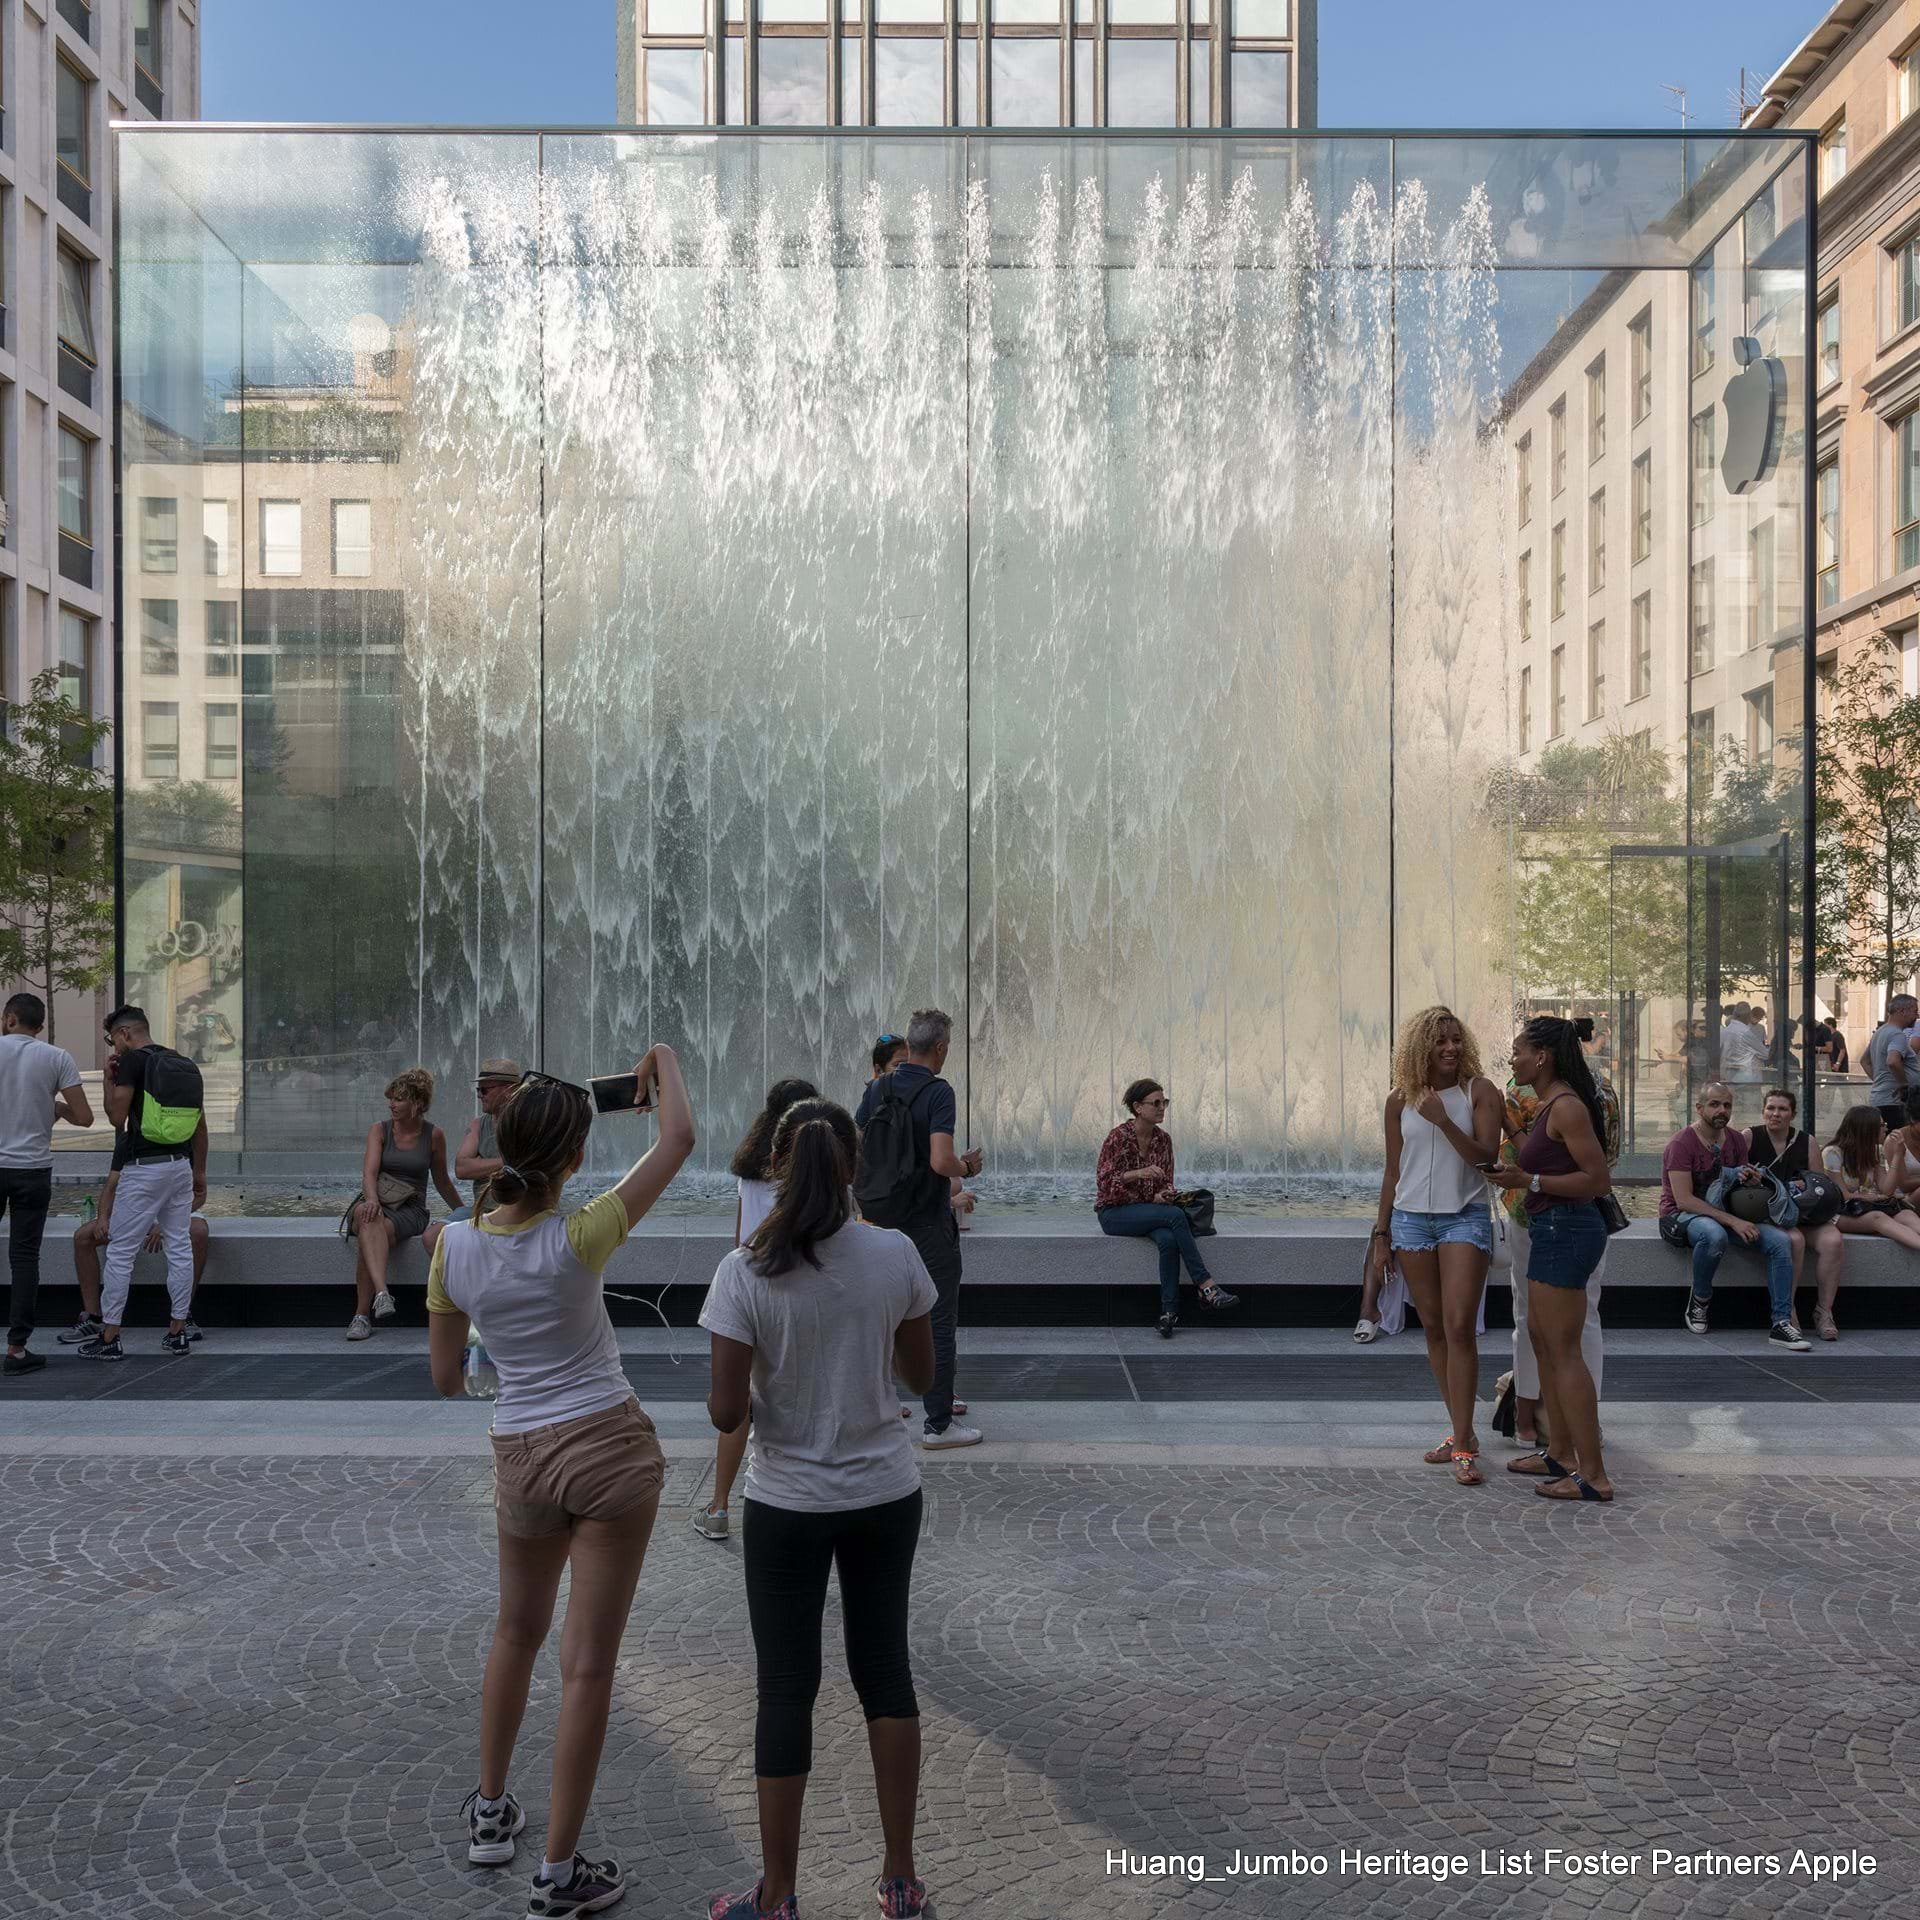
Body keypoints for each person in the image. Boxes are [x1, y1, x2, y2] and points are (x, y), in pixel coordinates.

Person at [426, 1046, 695, 1917]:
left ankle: (491, 1814)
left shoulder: (453, 1246)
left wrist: (501, 1342)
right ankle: (559, 1872)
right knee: (587, 1667)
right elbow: (680, 1138)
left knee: (517, 1632)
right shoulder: (582, 1234)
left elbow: (445, 1378)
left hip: (521, 1452)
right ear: (576, 1160)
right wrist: (663, 1065)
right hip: (609, 1449)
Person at [699, 1097, 938, 1920]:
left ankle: (779, 1895)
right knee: (886, 1674)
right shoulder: (894, 1254)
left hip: (786, 1502)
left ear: (776, 1167)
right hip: (882, 1492)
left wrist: (771, 1387)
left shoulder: (744, 1271)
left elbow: (728, 1415)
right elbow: (917, 1379)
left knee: (784, 1690)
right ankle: (901, 1876)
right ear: (853, 1164)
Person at [1364, 1007, 1502, 1484]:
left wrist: (1444, 1121)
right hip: (1410, 1224)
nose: (1450, 1048)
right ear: (1420, 1048)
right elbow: (1392, 1171)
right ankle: (1462, 1431)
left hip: (1463, 1218)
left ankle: (1463, 1444)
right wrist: (1381, 1234)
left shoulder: (1478, 1092)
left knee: (1460, 1326)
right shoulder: (1399, 1100)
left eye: (1456, 1040)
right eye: (1440, 1041)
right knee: (1435, 1332)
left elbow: (1487, 1158)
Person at [1485, 1016, 1617, 1502]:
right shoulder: (1547, 1107)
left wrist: (1530, 1183)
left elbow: (1597, 1180)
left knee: (1564, 1355)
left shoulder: (1567, 1107)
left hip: (1569, 1231)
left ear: (1541, 1056)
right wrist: (1510, 1129)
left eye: (1518, 1050)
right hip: (1550, 1229)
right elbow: (1539, 1160)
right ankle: (1559, 1452)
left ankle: (1596, 1475)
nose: (1513, 1058)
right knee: (1543, 1343)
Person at [693, 1076, 819, 1545]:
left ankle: (721, 1506)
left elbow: (741, 1236)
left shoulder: (749, 1168)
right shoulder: (808, 1168)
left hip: (754, 1284)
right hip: (802, 1284)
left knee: (743, 1401)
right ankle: (801, 1492)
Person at [854, 1008, 982, 1450]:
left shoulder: (878, 1088)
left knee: (879, 1317)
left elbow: (855, 1147)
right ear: (941, 1047)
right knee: (938, 1319)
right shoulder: (938, 1091)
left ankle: (876, 1408)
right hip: (927, 1225)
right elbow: (941, 1160)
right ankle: (939, 1424)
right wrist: (969, 1166)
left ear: (910, 1045)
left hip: (878, 1222)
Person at [77, 1006, 205, 1362]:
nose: (114, 1048)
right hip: (180, 1165)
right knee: (179, 1248)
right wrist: (200, 1172)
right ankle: (178, 1333)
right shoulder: (183, 1062)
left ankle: (110, 1337)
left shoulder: (132, 1061)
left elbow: (117, 1118)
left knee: (120, 1253)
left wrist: (108, 1079)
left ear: (124, 1034)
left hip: (144, 1168)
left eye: (113, 1040)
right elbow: (200, 1125)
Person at [1658, 1082, 1809, 1351]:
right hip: (1682, 1216)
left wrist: (1749, 1182)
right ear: (1699, 1108)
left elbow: (1737, 1189)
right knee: (1714, 1235)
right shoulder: (1681, 1143)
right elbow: (1684, 1199)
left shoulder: (1736, 1139)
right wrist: (1734, 1221)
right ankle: (1700, 1300)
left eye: (1727, 1105)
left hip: (1725, 1213)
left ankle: (1781, 1323)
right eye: (1715, 1104)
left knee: (1780, 1242)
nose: (1722, 1110)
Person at [1095, 1078, 1237, 1339]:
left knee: (1169, 1239)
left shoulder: (1163, 1140)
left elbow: (1165, 1183)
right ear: (1138, 1107)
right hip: (1114, 1213)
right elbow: (1104, 1184)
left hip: (1148, 1211)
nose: (1162, 1108)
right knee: (1173, 1217)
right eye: (1156, 1103)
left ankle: (1168, 1313)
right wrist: (1138, 1174)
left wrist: (1163, 1195)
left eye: (1165, 1102)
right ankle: (1206, 1286)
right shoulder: (1118, 1138)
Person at [0, 991, 92, 1375]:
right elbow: (85, 1118)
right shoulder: (57, 1057)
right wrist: (55, 1108)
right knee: (24, 1259)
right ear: (40, 1026)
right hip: (32, 1171)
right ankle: (17, 1349)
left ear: (9, 1019)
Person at [347, 1067, 461, 1341]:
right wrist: (373, 1199)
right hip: (377, 1203)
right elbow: (369, 1174)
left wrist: (463, 1212)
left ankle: (362, 1315)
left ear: (418, 1103)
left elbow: (442, 1181)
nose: (391, 1104)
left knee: (368, 1233)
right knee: (366, 1215)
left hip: (410, 1210)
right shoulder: (380, 1130)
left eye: (398, 1099)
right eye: (391, 1099)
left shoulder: (434, 1136)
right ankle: (382, 1295)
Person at [63, 1156, 211, 1346]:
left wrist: (165, 1226)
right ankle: (93, 1318)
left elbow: (200, 1194)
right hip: (137, 1208)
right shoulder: (131, 1138)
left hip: (175, 1209)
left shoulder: (186, 1137)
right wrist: (103, 1217)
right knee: (83, 1237)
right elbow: (113, 1181)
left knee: (198, 1233)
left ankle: (183, 1315)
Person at [1748, 1087, 1844, 1341]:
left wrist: (1806, 1184)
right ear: (1763, 1111)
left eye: (1782, 1109)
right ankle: (1787, 1311)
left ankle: (1824, 1312)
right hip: (1771, 1215)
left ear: (1792, 1114)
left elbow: (1820, 1184)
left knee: (1833, 1241)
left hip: (1805, 1213)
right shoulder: (1750, 1137)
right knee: (1794, 1241)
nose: (1775, 1114)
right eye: (1771, 1108)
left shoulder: (1807, 1141)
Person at [424, 1057, 522, 1257]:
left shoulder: (526, 1122)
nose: (479, 1095)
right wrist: (506, 1162)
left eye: (485, 1090)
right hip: (482, 1210)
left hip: (518, 1211)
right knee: (432, 1237)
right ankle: (460, 1288)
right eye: (478, 1090)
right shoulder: (478, 1125)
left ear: (508, 1089)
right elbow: (461, 1168)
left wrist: (480, 1163)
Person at [1822, 1105, 1920, 1252]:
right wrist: (1873, 1197)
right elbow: (1844, 1196)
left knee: (1906, 1214)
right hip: (1838, 1212)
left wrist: (1898, 1155)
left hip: (1863, 1208)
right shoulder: (1833, 1153)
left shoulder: (1874, 1151)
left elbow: (1887, 1189)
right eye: (1882, 1125)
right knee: (1877, 1218)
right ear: (1867, 1128)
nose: (1886, 1128)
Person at [1865, 995, 1919, 1132]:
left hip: (1882, 1099)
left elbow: (1864, 1061)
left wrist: (1879, 1080)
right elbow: (1893, 1061)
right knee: (1899, 1142)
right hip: (1894, 1103)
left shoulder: (1881, 1032)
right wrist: (1903, 1085)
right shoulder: (1897, 1035)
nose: (1917, 1015)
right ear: (1902, 1011)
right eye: (1914, 1011)